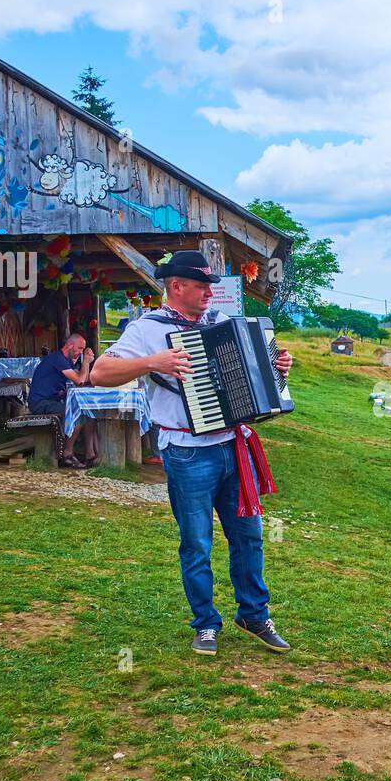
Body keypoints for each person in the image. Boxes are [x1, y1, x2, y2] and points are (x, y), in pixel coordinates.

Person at [89, 250, 294, 658]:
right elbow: (99, 373)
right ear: (176, 286)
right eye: (201, 287)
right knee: (197, 543)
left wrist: (278, 367)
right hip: (186, 452)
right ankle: (205, 623)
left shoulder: (222, 324)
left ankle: (254, 614)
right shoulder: (147, 329)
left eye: (210, 287)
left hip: (233, 446)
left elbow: (254, 375)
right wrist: (153, 361)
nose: (208, 294)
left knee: (249, 538)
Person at [28, 333, 98, 468]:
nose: (80, 352)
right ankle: (66, 454)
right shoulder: (57, 359)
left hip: (52, 401)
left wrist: (86, 363)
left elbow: (85, 379)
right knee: (77, 413)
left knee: (89, 413)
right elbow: (80, 381)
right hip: (40, 403)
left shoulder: (65, 361)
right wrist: (85, 362)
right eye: (79, 349)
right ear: (70, 345)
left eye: (83, 350)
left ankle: (90, 454)